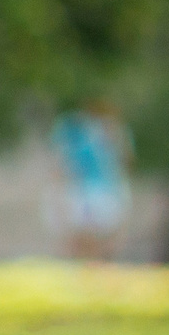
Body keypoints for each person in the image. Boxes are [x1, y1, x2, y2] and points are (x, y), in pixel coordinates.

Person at [51, 100, 132, 261]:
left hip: (103, 189)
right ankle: (88, 261)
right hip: (88, 189)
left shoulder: (111, 134)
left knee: (102, 230)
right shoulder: (79, 134)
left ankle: (96, 261)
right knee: (86, 229)